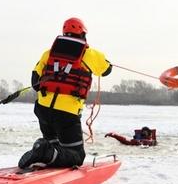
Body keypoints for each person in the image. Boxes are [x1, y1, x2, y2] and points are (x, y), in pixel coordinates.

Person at [18, 17, 112, 169]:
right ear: (83, 34)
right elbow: (107, 70)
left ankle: (46, 152)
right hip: (66, 114)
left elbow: (35, 82)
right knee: (76, 156)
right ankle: (45, 152)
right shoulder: (91, 54)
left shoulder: (48, 54)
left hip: (42, 110)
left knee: (53, 145)